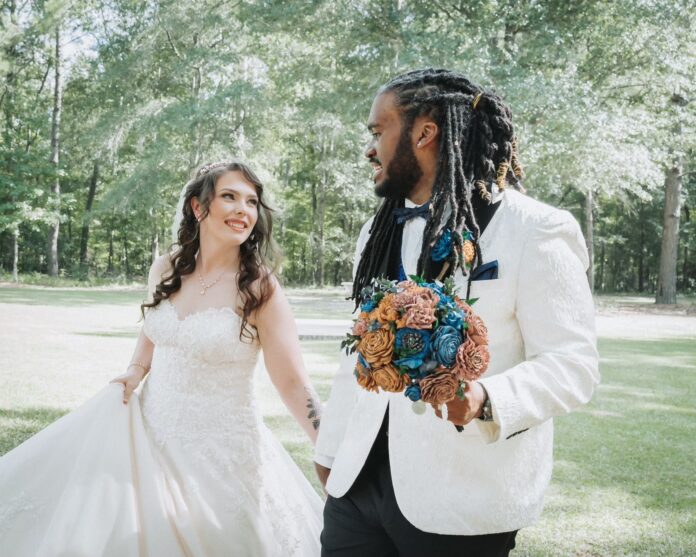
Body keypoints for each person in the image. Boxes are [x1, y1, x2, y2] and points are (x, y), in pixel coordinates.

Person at [315, 68, 600, 557]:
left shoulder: (537, 230)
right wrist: (331, 451)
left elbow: (573, 365)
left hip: (462, 498)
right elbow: (358, 355)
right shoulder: (375, 232)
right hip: (358, 487)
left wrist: (486, 397)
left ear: (424, 133)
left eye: (377, 132)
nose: (370, 149)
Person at [0, 160, 323, 556]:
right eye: (229, 197)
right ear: (198, 207)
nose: (243, 210)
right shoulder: (167, 268)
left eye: (252, 202)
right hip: (148, 434)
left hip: (222, 454)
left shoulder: (259, 288)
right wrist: (135, 371)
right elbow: (156, 325)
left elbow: (292, 382)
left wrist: (327, 449)